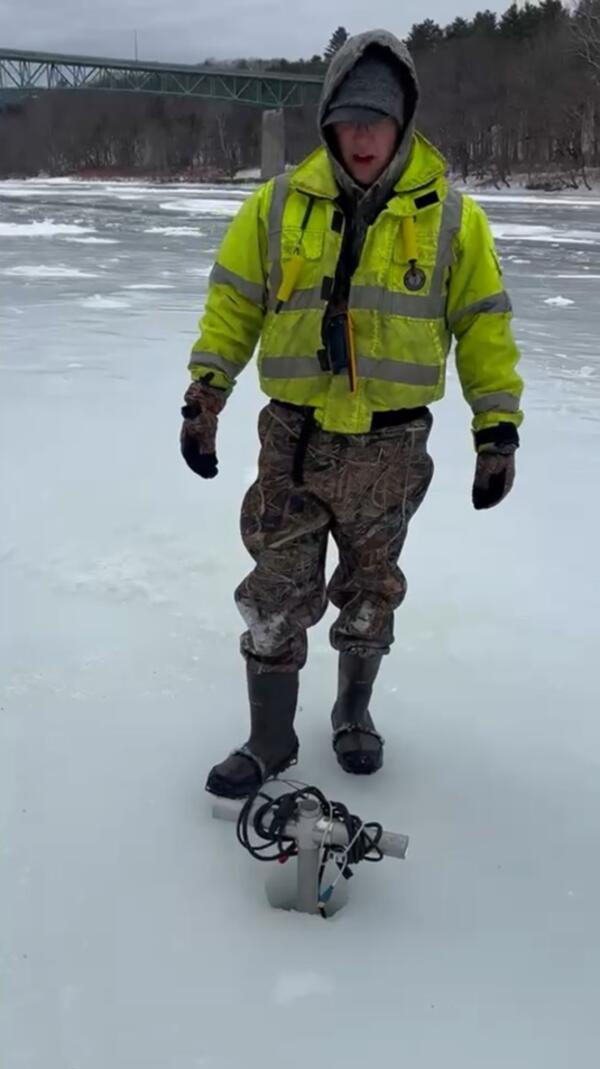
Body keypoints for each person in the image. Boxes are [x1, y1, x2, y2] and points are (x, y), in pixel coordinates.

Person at [180, 29, 523, 799]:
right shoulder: (275, 206)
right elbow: (233, 303)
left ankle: (353, 711)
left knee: (371, 590)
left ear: (402, 122)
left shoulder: (453, 219)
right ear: (328, 124)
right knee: (275, 589)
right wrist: (206, 394)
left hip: (390, 447)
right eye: (349, 121)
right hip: (294, 439)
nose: (363, 137)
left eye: (377, 121)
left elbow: (484, 327)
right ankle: (271, 738)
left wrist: (496, 428)